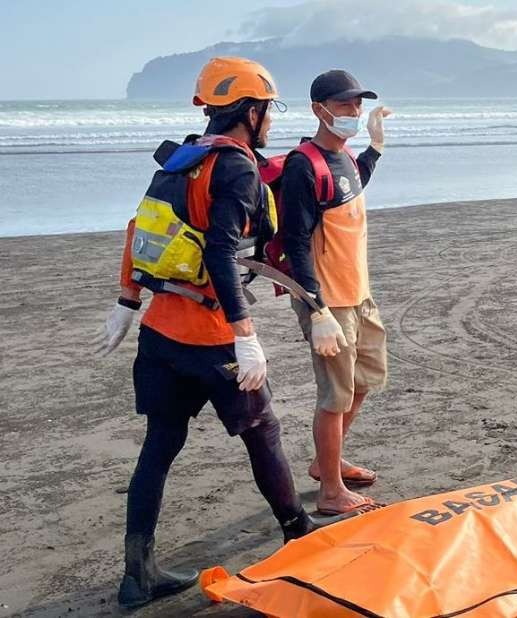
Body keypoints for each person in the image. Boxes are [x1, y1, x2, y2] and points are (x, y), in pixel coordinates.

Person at [94, 56, 322, 610]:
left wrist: (129, 299)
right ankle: (298, 532)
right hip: (211, 336)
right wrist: (245, 334)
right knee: (262, 431)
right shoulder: (236, 167)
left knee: (160, 444)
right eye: (268, 108)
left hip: (159, 334)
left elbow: (140, 228)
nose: (270, 119)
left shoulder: (181, 157)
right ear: (250, 110)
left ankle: (138, 572)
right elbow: (220, 250)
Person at [280, 69, 392, 515]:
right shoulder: (301, 165)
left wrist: (375, 149)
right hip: (328, 300)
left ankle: (327, 461)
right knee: (335, 396)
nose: (354, 112)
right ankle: (330, 491)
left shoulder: (343, 158)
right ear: (319, 110)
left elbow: (352, 183)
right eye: (345, 105)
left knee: (363, 382)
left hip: (359, 295)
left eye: (357, 105)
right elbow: (294, 242)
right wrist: (317, 308)